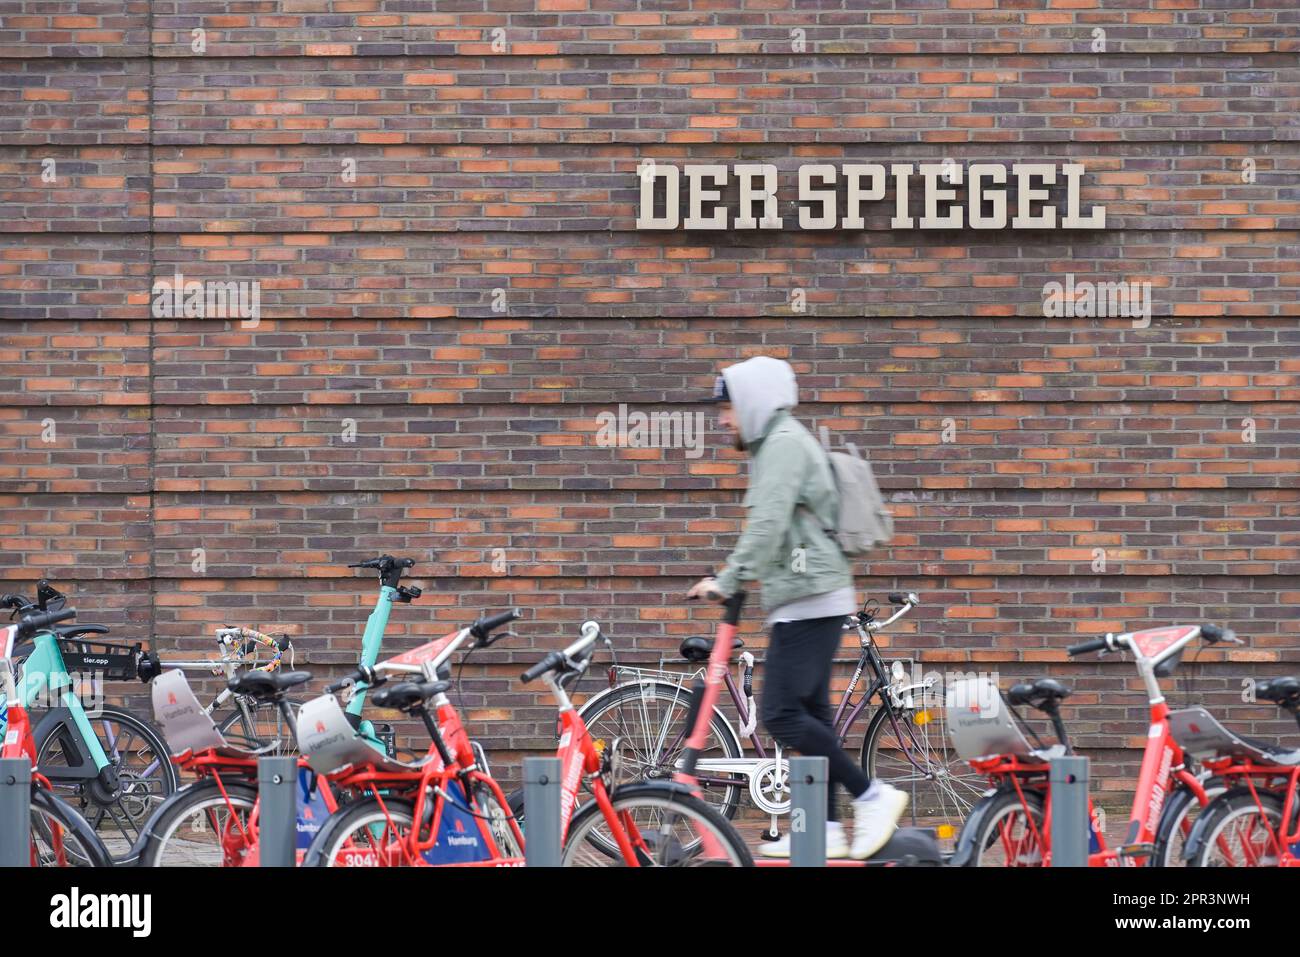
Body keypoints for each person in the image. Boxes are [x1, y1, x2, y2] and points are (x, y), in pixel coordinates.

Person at [687, 355, 907, 859]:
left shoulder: (782, 446)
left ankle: (872, 796)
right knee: (812, 718)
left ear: (753, 404)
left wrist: (726, 581)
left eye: (729, 408)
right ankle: (824, 829)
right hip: (806, 596)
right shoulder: (777, 445)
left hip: (810, 598)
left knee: (782, 715)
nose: (723, 420)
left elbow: (765, 526)